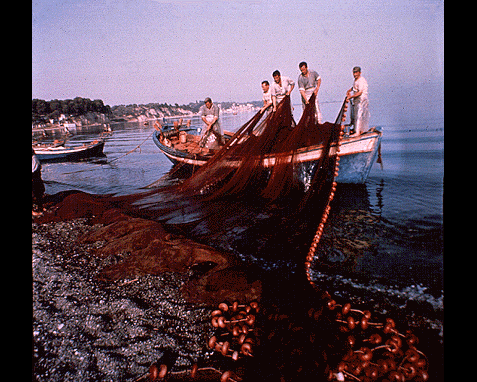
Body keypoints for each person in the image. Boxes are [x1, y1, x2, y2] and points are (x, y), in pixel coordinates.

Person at [346, 66, 370, 135]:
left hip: (361, 100)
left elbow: (359, 92)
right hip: (357, 100)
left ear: (360, 73)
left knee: (359, 116)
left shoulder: (361, 80)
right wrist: (349, 90)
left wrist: (351, 96)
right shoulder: (356, 80)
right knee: (356, 116)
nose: (354, 74)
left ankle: (357, 132)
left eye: (356, 72)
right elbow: (354, 88)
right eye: (354, 72)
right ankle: (357, 130)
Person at [32, 147, 45, 217]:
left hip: (37, 174)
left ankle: (40, 206)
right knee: (32, 193)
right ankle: (32, 211)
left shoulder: (34, 156)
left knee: (40, 190)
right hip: (33, 175)